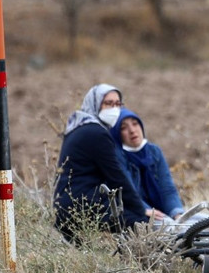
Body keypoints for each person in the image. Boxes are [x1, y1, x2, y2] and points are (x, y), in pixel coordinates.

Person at [53, 84, 151, 243]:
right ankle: (143, 265)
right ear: (96, 104)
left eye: (118, 104)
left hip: (66, 207)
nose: (114, 109)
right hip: (81, 207)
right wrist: (141, 210)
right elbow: (116, 177)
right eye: (108, 103)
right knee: (139, 222)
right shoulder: (96, 133)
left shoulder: (78, 127)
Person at [110, 107, 186, 223]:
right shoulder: (117, 157)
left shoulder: (154, 151)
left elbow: (167, 189)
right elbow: (129, 193)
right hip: (139, 214)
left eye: (135, 124)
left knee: (198, 222)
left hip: (162, 211)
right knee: (169, 226)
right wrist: (145, 209)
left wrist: (177, 214)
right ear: (117, 134)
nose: (132, 130)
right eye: (123, 128)